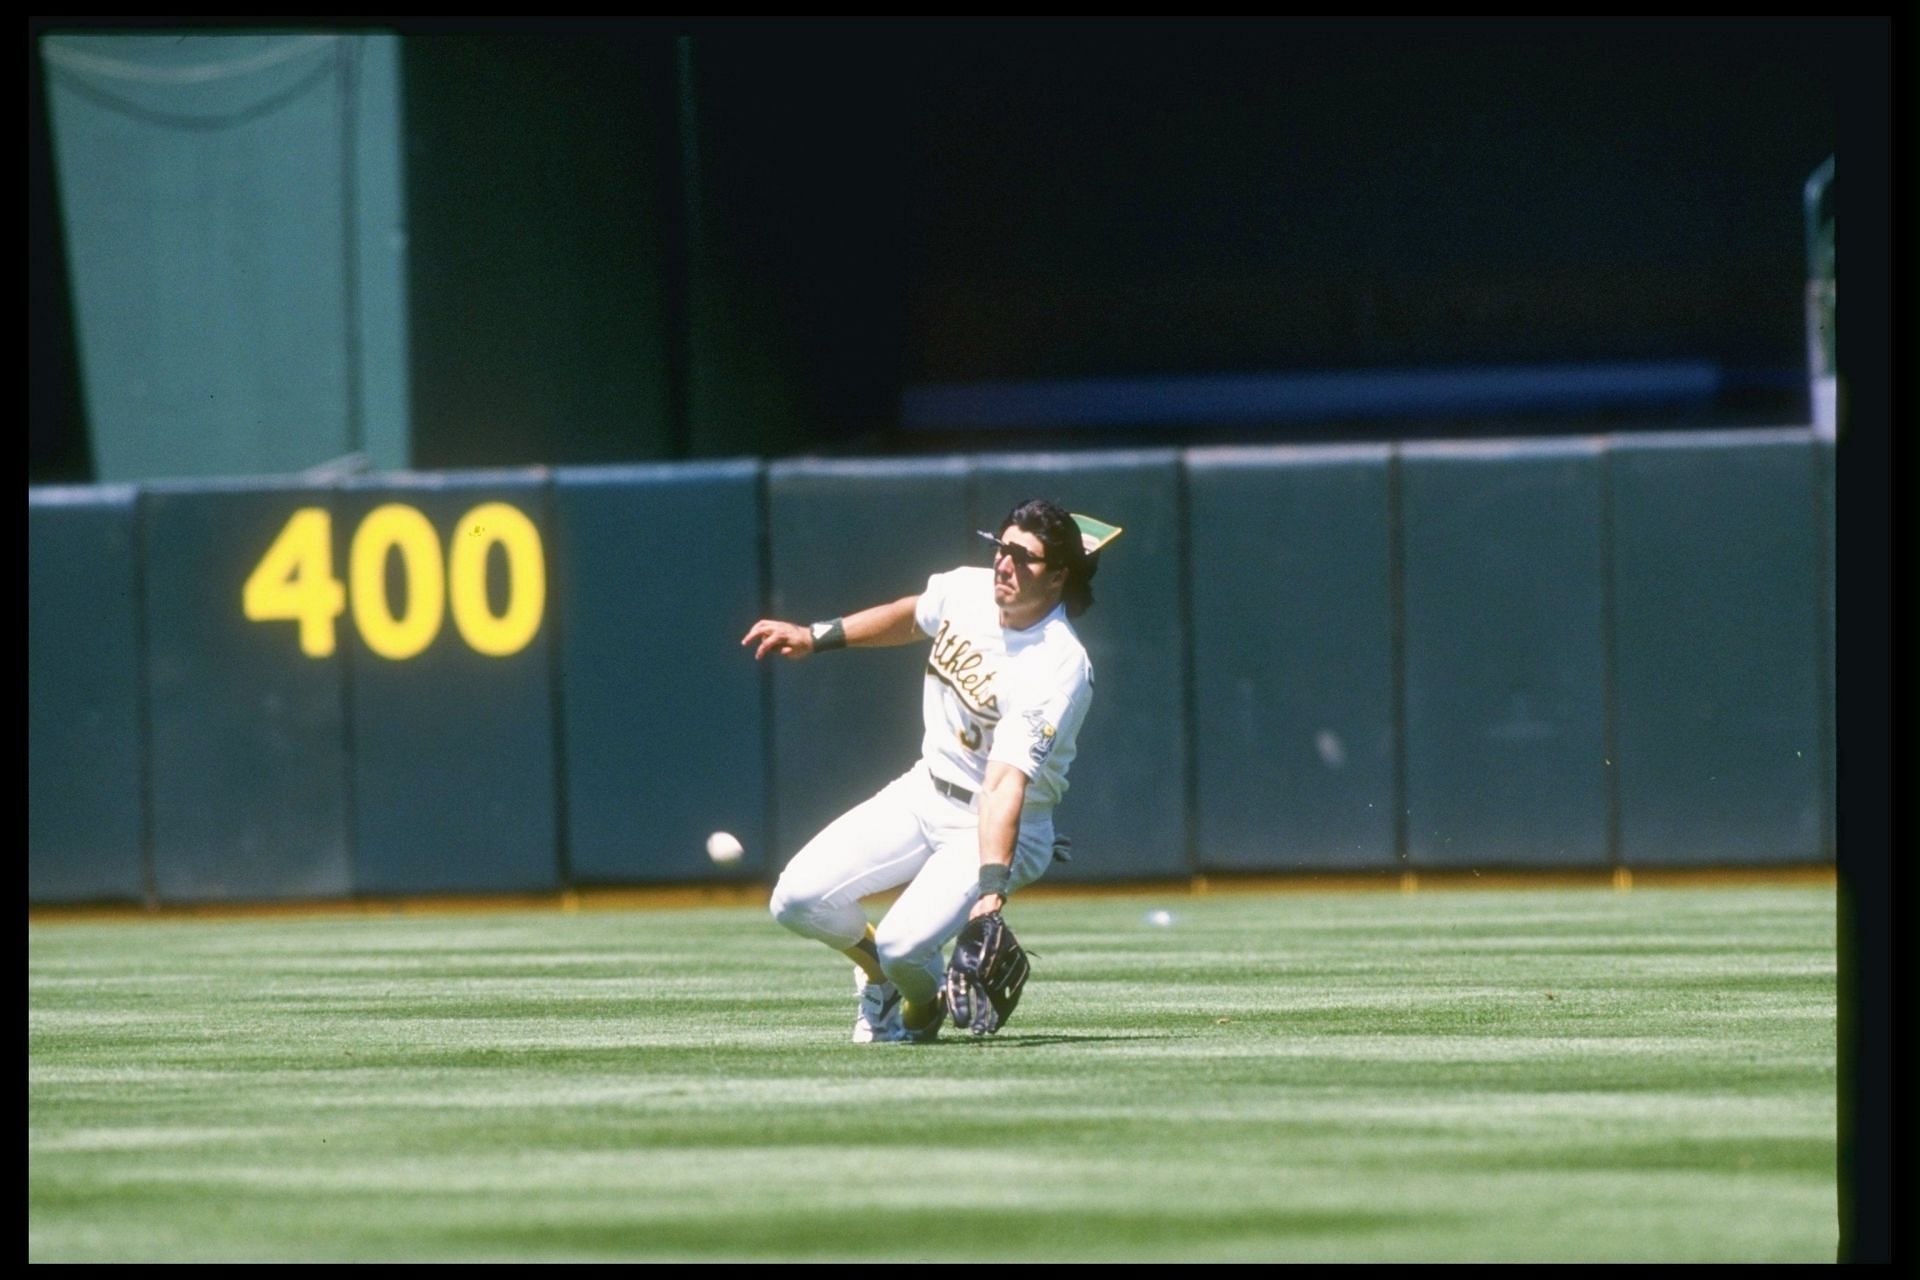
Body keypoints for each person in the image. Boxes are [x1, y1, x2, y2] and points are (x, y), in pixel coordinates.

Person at [743, 498, 1116, 1043]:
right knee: (796, 900)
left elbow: (1004, 783)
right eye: (1001, 548)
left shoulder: (1056, 665)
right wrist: (817, 635)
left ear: (1058, 576)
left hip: (999, 826)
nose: (1004, 564)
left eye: (1023, 557)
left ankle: (919, 1011)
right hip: (924, 790)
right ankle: (886, 979)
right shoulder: (968, 590)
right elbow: (911, 613)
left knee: (902, 946)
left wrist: (992, 890)